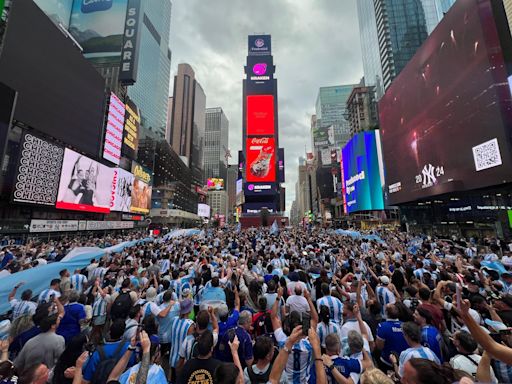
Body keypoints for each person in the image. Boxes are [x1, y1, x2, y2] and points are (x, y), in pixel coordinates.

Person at [81, 319, 137, 383]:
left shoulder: (98, 352)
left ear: (109, 332)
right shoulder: (129, 348)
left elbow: (86, 379)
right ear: (123, 333)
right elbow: (131, 366)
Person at [14, 302, 65, 372]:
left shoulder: (27, 337)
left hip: (27, 373)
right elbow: (61, 361)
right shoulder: (58, 339)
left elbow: (18, 362)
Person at [375, 304, 408, 371]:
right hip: (404, 361)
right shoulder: (406, 325)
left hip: (387, 361)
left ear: (386, 313)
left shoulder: (382, 326)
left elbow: (379, 346)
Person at [168, 299, 194, 381]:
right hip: (182, 360)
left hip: (172, 357)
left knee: (172, 379)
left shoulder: (174, 319)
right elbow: (189, 345)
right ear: (189, 311)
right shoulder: (190, 324)